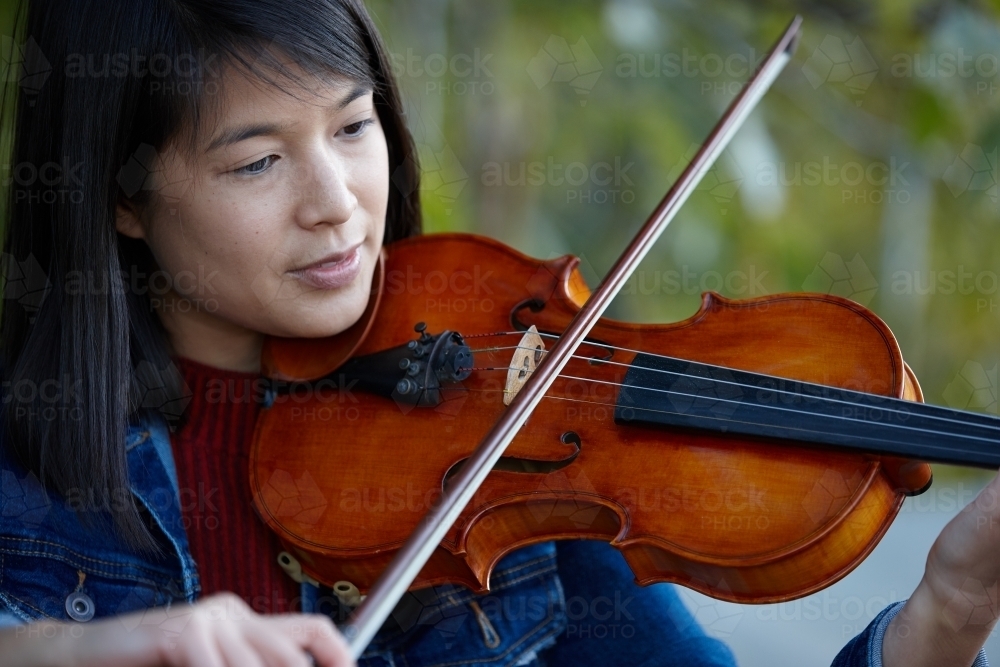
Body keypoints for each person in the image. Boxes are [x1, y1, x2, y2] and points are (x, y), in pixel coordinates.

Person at [0, 0, 994, 665]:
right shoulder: (27, 452)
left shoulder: (505, 453)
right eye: (257, 162)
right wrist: (68, 648)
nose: (337, 203)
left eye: (353, 129)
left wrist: (944, 611)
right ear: (123, 196)